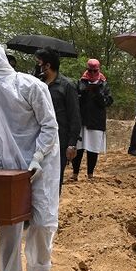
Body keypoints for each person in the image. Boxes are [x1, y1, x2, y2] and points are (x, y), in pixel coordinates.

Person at [0, 42, 59, 271]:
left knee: (42, 221)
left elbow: (49, 126)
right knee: (7, 224)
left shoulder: (31, 86)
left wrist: (37, 156)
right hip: (8, 166)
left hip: (40, 164)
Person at [34, 48, 80, 190]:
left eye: (38, 63)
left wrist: (72, 144)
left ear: (47, 65)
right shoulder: (37, 85)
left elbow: (75, 116)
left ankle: (53, 211)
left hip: (59, 140)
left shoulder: (67, 86)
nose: (37, 66)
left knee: (54, 180)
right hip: (38, 139)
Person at [73, 58, 112, 180]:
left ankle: (90, 174)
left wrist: (98, 94)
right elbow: (75, 100)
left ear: (98, 70)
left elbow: (108, 101)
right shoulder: (81, 82)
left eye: (95, 71)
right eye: (91, 70)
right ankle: (75, 174)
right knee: (78, 149)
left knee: (93, 149)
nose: (93, 73)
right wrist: (84, 93)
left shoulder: (104, 84)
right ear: (87, 69)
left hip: (96, 121)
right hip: (82, 119)